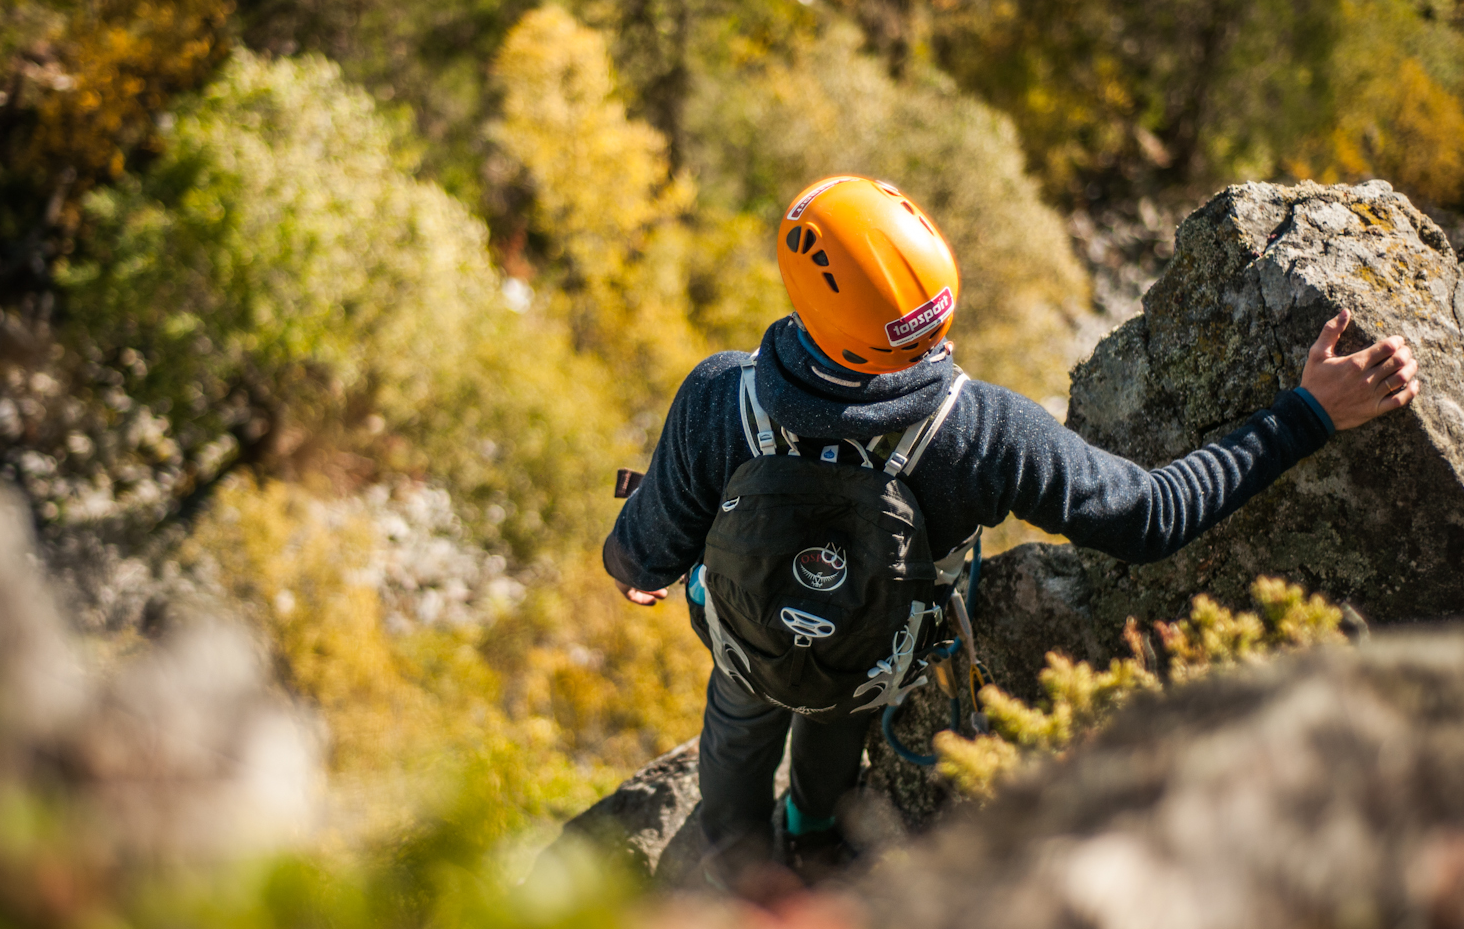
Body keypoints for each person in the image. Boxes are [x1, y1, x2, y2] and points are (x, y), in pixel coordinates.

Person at [601, 175, 1420, 890]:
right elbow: (1151, 517)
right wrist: (1308, 413)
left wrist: (638, 560)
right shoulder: (982, 430)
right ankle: (815, 835)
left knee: (740, 722)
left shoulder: (718, 396)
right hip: (878, 657)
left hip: (749, 637)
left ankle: (739, 867)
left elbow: (644, 553)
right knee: (838, 709)